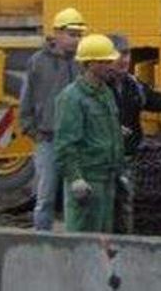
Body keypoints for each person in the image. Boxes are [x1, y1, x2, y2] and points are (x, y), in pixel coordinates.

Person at [107, 33, 161, 234]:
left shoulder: (132, 84)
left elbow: (153, 100)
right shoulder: (99, 88)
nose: (124, 60)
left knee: (125, 207)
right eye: (119, 55)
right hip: (102, 160)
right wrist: (111, 128)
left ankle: (123, 242)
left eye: (126, 54)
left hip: (127, 157)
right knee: (103, 209)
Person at [19, 6, 86, 231]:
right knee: (45, 196)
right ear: (57, 33)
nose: (76, 40)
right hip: (47, 139)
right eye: (72, 34)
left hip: (75, 141)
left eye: (79, 35)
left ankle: (72, 240)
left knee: (74, 197)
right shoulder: (38, 62)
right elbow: (27, 98)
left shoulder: (82, 62)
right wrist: (32, 130)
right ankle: (42, 240)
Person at [54, 33, 123, 234]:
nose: (111, 65)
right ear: (90, 63)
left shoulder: (105, 93)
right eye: (105, 61)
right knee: (83, 240)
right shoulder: (72, 98)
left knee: (104, 238)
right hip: (88, 179)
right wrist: (75, 177)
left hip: (107, 177)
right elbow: (65, 143)